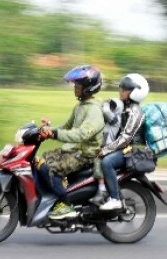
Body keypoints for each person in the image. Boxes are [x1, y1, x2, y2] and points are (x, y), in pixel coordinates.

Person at [36, 65, 105, 220]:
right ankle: (56, 192)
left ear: (88, 88)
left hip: (84, 154)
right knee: (40, 160)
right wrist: (47, 131)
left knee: (50, 169)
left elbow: (80, 135)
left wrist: (55, 133)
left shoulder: (93, 110)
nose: (75, 87)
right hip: (73, 150)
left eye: (78, 85)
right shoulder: (80, 106)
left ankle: (66, 205)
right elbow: (66, 127)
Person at [97, 73, 149, 210]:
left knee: (107, 162)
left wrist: (106, 150)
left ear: (135, 92)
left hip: (134, 151)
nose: (121, 91)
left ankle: (115, 199)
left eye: (124, 89)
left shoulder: (135, 111)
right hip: (127, 149)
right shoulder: (125, 108)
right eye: (121, 88)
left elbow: (126, 138)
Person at [90, 98, 124, 205]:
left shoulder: (115, 119)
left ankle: (102, 189)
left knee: (98, 161)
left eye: (113, 106)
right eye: (111, 106)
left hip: (108, 147)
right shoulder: (107, 119)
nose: (111, 108)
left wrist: (105, 103)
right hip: (103, 145)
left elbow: (105, 111)